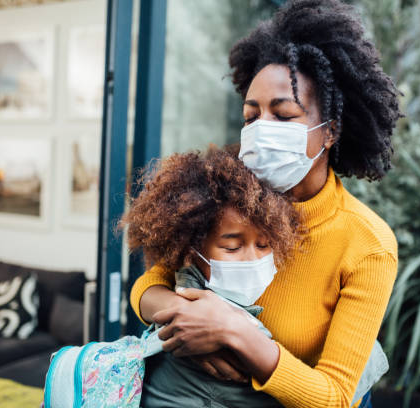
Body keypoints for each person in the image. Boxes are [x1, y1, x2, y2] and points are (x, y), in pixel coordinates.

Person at [130, 0, 403, 407]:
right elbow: (149, 285)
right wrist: (185, 315)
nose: (262, 130)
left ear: (330, 131)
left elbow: (334, 397)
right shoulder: (227, 198)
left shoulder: (367, 245)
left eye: (284, 115)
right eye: (251, 116)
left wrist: (232, 331)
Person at [121, 146, 300, 407]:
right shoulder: (206, 326)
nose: (252, 259)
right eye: (232, 247)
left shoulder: (182, 288)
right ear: (192, 250)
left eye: (264, 246)